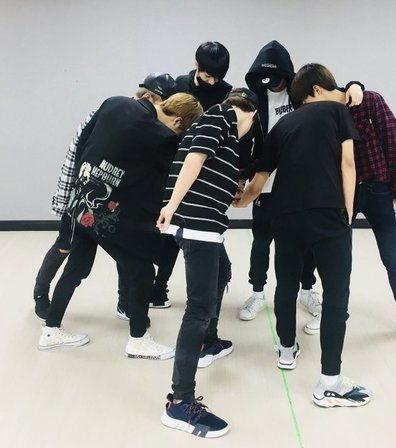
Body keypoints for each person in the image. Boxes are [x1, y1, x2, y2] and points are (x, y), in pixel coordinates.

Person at [235, 64, 371, 408]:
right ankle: (330, 382)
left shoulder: (282, 125)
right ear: (318, 90)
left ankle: (286, 349)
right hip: (328, 213)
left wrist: (242, 200)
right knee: (336, 294)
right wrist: (348, 212)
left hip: (285, 215)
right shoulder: (337, 112)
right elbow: (348, 163)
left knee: (286, 284)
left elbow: (260, 179)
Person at [38, 91, 203, 360]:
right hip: (109, 218)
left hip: (81, 205)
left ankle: (51, 330)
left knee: (75, 268)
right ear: (177, 121)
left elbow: (83, 142)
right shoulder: (163, 138)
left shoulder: (114, 103)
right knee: (142, 272)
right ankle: (138, 340)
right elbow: (166, 179)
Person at [33, 73, 178, 321]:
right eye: (162, 103)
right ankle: (40, 294)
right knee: (65, 247)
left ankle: (124, 304)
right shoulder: (110, 111)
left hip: (111, 203)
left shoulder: (146, 125)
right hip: (80, 196)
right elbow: (77, 153)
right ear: (148, 96)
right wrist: (68, 197)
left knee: (125, 254)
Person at [239, 40, 365, 321]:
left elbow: (338, 93)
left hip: (298, 184)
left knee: (305, 243)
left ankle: (307, 290)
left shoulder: (302, 94)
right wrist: (244, 180)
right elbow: (245, 138)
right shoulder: (255, 99)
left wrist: (356, 85)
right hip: (264, 179)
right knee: (261, 240)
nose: (271, 84)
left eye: (276, 78)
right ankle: (257, 292)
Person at [157, 88, 258, 437]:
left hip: (205, 225)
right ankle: (180, 403)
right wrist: (171, 207)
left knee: (223, 271)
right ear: (251, 114)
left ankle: (208, 342)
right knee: (198, 309)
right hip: (196, 225)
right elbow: (194, 160)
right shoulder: (221, 116)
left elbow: (206, 168)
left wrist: (230, 188)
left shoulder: (220, 125)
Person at [302, 69, 396, 349]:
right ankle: (332, 314)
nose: (308, 107)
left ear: (317, 90)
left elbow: (394, 139)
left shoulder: (369, 101)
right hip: (344, 193)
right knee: (335, 257)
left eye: (307, 100)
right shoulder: (326, 114)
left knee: (391, 256)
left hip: (378, 189)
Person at [151, 41, 233, 309]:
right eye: (208, 76)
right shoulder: (178, 85)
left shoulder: (226, 92)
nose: (213, 82)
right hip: (173, 163)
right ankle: (158, 288)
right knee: (169, 231)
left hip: (207, 168)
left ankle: (203, 291)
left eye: (217, 77)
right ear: (196, 64)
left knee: (197, 231)